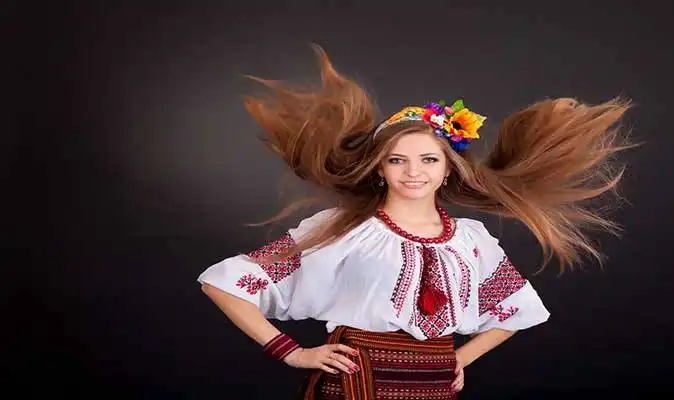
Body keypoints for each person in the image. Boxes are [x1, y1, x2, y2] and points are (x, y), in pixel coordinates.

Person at [197, 45, 634, 399]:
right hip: (355, 384)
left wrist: (460, 359)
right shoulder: (341, 228)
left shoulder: (470, 240)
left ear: (448, 169)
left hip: (435, 386)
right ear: (378, 169)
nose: (413, 172)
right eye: (397, 160)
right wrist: (291, 353)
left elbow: (515, 310)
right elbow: (224, 284)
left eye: (428, 159)